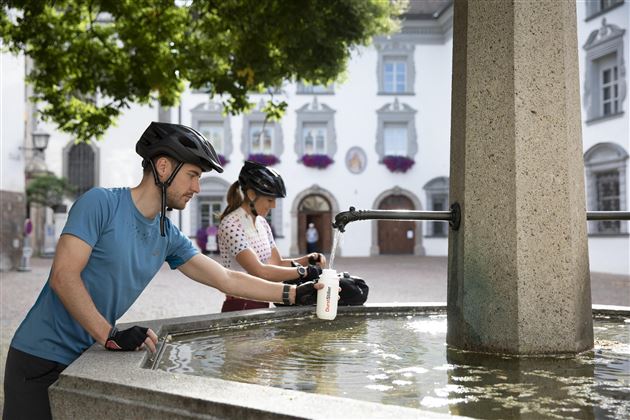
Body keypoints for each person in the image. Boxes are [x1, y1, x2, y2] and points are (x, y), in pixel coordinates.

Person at [3, 122, 319, 420]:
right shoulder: (100, 203)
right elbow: (63, 276)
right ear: (164, 168)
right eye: (193, 175)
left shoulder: (167, 233)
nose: (197, 187)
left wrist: (295, 291)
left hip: (85, 357)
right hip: (38, 358)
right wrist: (109, 334)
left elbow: (226, 277)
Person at [218, 161, 327, 312]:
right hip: (240, 304)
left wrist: (307, 260)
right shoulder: (231, 224)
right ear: (251, 194)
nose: (273, 205)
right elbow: (261, 271)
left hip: (262, 301)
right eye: (270, 200)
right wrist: (305, 271)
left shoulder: (262, 223)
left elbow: (278, 263)